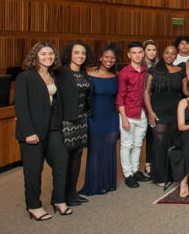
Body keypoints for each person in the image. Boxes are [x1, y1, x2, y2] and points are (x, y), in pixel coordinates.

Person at [14, 42, 70, 220]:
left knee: (61, 161)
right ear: (35, 56)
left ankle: (59, 199)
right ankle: (33, 205)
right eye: (43, 54)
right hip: (33, 131)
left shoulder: (53, 75)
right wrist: (28, 132)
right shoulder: (26, 77)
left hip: (53, 127)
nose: (48, 57)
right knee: (33, 170)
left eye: (51, 54)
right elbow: (21, 107)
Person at [56, 41, 92, 207]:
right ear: (69, 54)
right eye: (77, 52)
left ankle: (72, 193)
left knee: (77, 157)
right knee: (65, 159)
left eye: (83, 53)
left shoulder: (83, 73)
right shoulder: (62, 73)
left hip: (81, 119)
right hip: (67, 121)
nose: (80, 56)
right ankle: (61, 196)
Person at [143, 45, 186, 186]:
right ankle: (160, 177)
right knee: (160, 144)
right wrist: (150, 112)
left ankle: (173, 174)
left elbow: (186, 91)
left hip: (176, 111)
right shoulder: (153, 71)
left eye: (173, 54)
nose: (169, 56)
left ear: (176, 56)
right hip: (158, 111)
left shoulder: (180, 71)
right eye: (167, 53)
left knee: (174, 143)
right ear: (163, 54)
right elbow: (146, 92)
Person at [81, 44, 120, 196]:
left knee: (109, 149)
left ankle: (107, 184)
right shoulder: (88, 73)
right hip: (94, 117)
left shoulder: (116, 76)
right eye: (106, 57)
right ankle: (94, 184)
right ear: (100, 58)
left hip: (111, 117)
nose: (109, 60)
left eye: (112, 57)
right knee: (95, 151)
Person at [116, 42, 149, 188]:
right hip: (128, 113)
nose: (137, 55)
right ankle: (128, 174)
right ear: (129, 55)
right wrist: (123, 117)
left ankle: (135, 171)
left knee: (138, 144)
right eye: (134, 53)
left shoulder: (146, 71)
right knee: (126, 145)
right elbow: (120, 97)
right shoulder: (124, 73)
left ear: (143, 54)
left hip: (143, 113)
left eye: (140, 52)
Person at [141, 40, 158, 177]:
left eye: (154, 50)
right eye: (149, 50)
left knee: (154, 134)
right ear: (144, 52)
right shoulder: (141, 67)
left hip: (156, 103)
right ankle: (147, 163)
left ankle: (154, 162)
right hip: (143, 104)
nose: (151, 52)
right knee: (147, 135)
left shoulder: (158, 66)